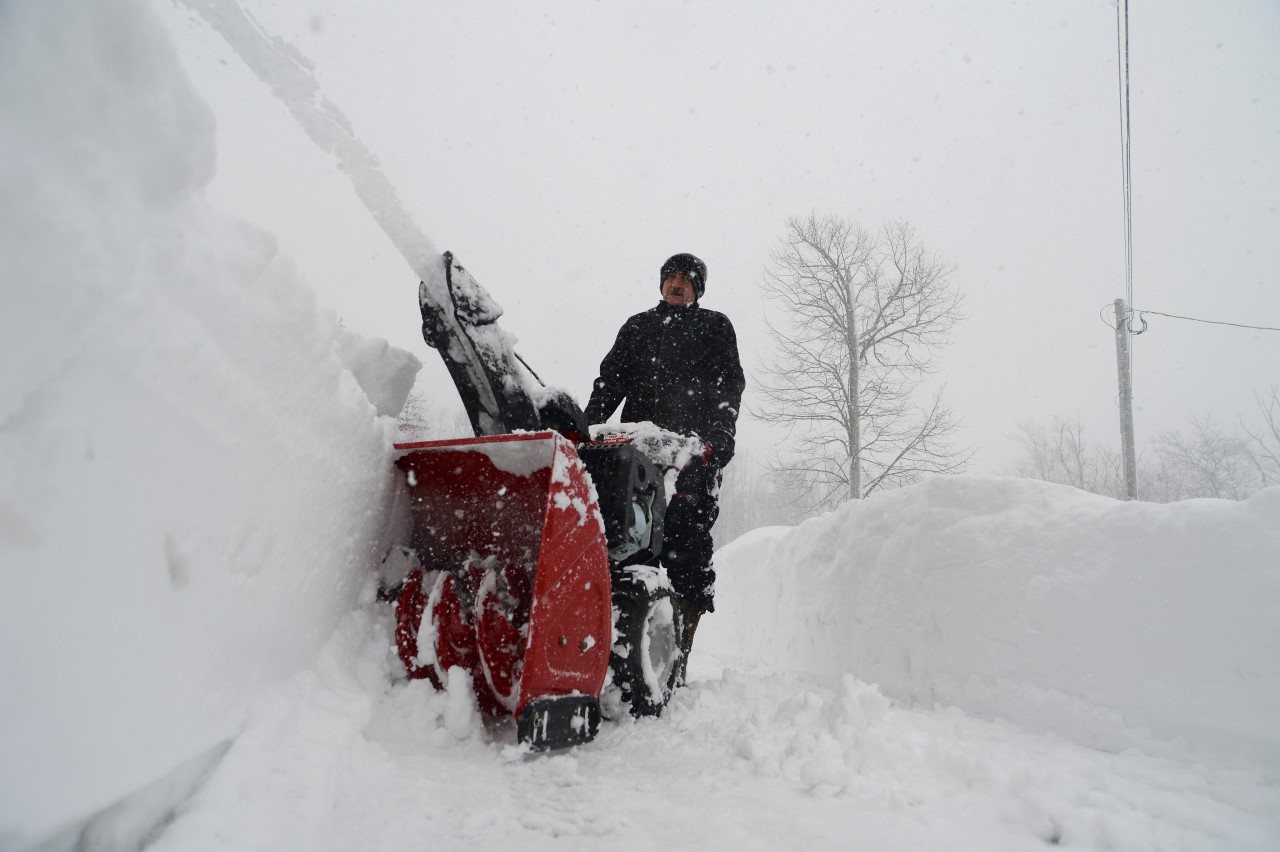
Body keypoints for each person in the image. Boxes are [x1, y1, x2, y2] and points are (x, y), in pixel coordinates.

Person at [584, 253, 745, 674]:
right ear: (660, 284)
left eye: (686, 279)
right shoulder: (637, 327)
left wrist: (717, 441)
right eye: (670, 277)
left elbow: (729, 385)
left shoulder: (715, 327)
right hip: (637, 453)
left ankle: (678, 657)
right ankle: (621, 650)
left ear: (698, 289)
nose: (677, 283)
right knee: (625, 546)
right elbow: (609, 382)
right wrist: (584, 430)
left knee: (686, 548)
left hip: (692, 454)